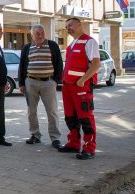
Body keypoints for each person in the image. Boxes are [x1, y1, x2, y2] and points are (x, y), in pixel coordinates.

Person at [57, 17, 101, 160]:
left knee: (85, 118)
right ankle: (74, 143)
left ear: (80, 25)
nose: (68, 28)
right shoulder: (71, 45)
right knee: (70, 117)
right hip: (68, 87)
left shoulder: (89, 42)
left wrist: (82, 80)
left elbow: (96, 64)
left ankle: (89, 148)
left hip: (81, 87)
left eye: (71, 25)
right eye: (66, 26)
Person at [18, 24, 63, 147]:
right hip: (31, 82)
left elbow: (59, 63)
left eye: (42, 33)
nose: (40, 35)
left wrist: (55, 81)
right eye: (37, 33)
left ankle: (55, 138)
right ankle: (35, 135)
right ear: (32, 35)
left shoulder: (52, 45)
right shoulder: (27, 47)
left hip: (48, 83)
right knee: (31, 111)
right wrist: (21, 83)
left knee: (52, 111)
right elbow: (22, 66)